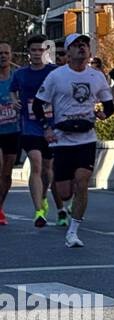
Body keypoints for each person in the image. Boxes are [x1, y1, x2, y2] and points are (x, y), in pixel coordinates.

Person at [33, 33, 114, 247]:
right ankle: (65, 207)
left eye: (85, 45)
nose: (82, 48)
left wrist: (104, 114)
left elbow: (108, 105)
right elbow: (37, 105)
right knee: (64, 192)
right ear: (68, 53)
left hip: (86, 139)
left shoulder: (97, 77)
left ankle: (73, 231)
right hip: (62, 140)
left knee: (82, 182)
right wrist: (46, 128)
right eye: (77, 45)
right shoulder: (56, 77)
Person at [11, 34, 64, 227]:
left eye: (40, 50)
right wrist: (14, 100)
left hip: (51, 126)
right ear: (28, 53)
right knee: (36, 163)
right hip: (29, 126)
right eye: (33, 50)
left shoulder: (54, 72)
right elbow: (13, 90)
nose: (36, 54)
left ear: (45, 52)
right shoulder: (21, 74)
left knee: (48, 169)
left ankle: (43, 198)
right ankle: (38, 211)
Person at [0, 42, 18, 224]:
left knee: (6, 173)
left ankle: (0, 207)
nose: (3, 56)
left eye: (6, 53)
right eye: (0, 53)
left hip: (13, 130)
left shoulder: (16, 77)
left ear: (11, 55)